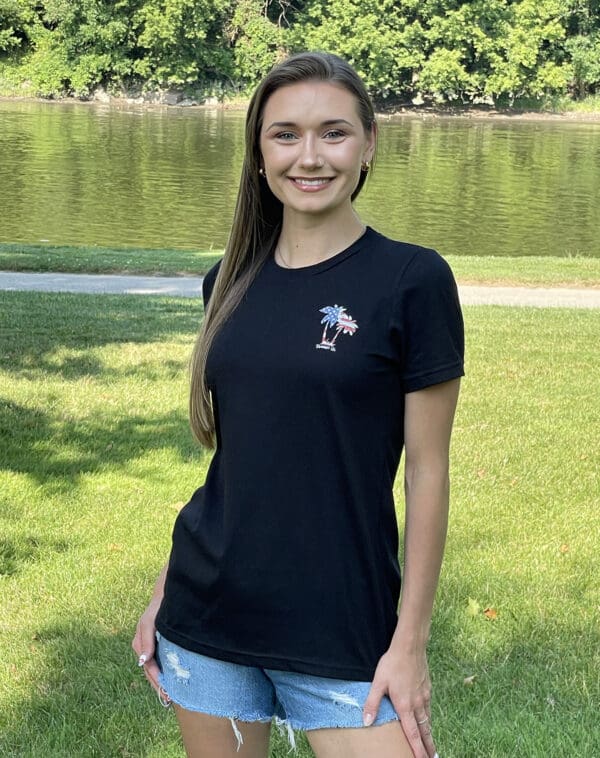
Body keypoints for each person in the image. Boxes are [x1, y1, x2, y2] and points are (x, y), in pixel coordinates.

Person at [132, 51, 464, 758]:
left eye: (333, 132)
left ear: (369, 143)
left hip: (345, 628)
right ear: (257, 150)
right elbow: (244, 458)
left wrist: (409, 644)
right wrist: (167, 587)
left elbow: (427, 473)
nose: (309, 156)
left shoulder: (412, 280)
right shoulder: (227, 281)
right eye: (285, 134)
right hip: (210, 620)